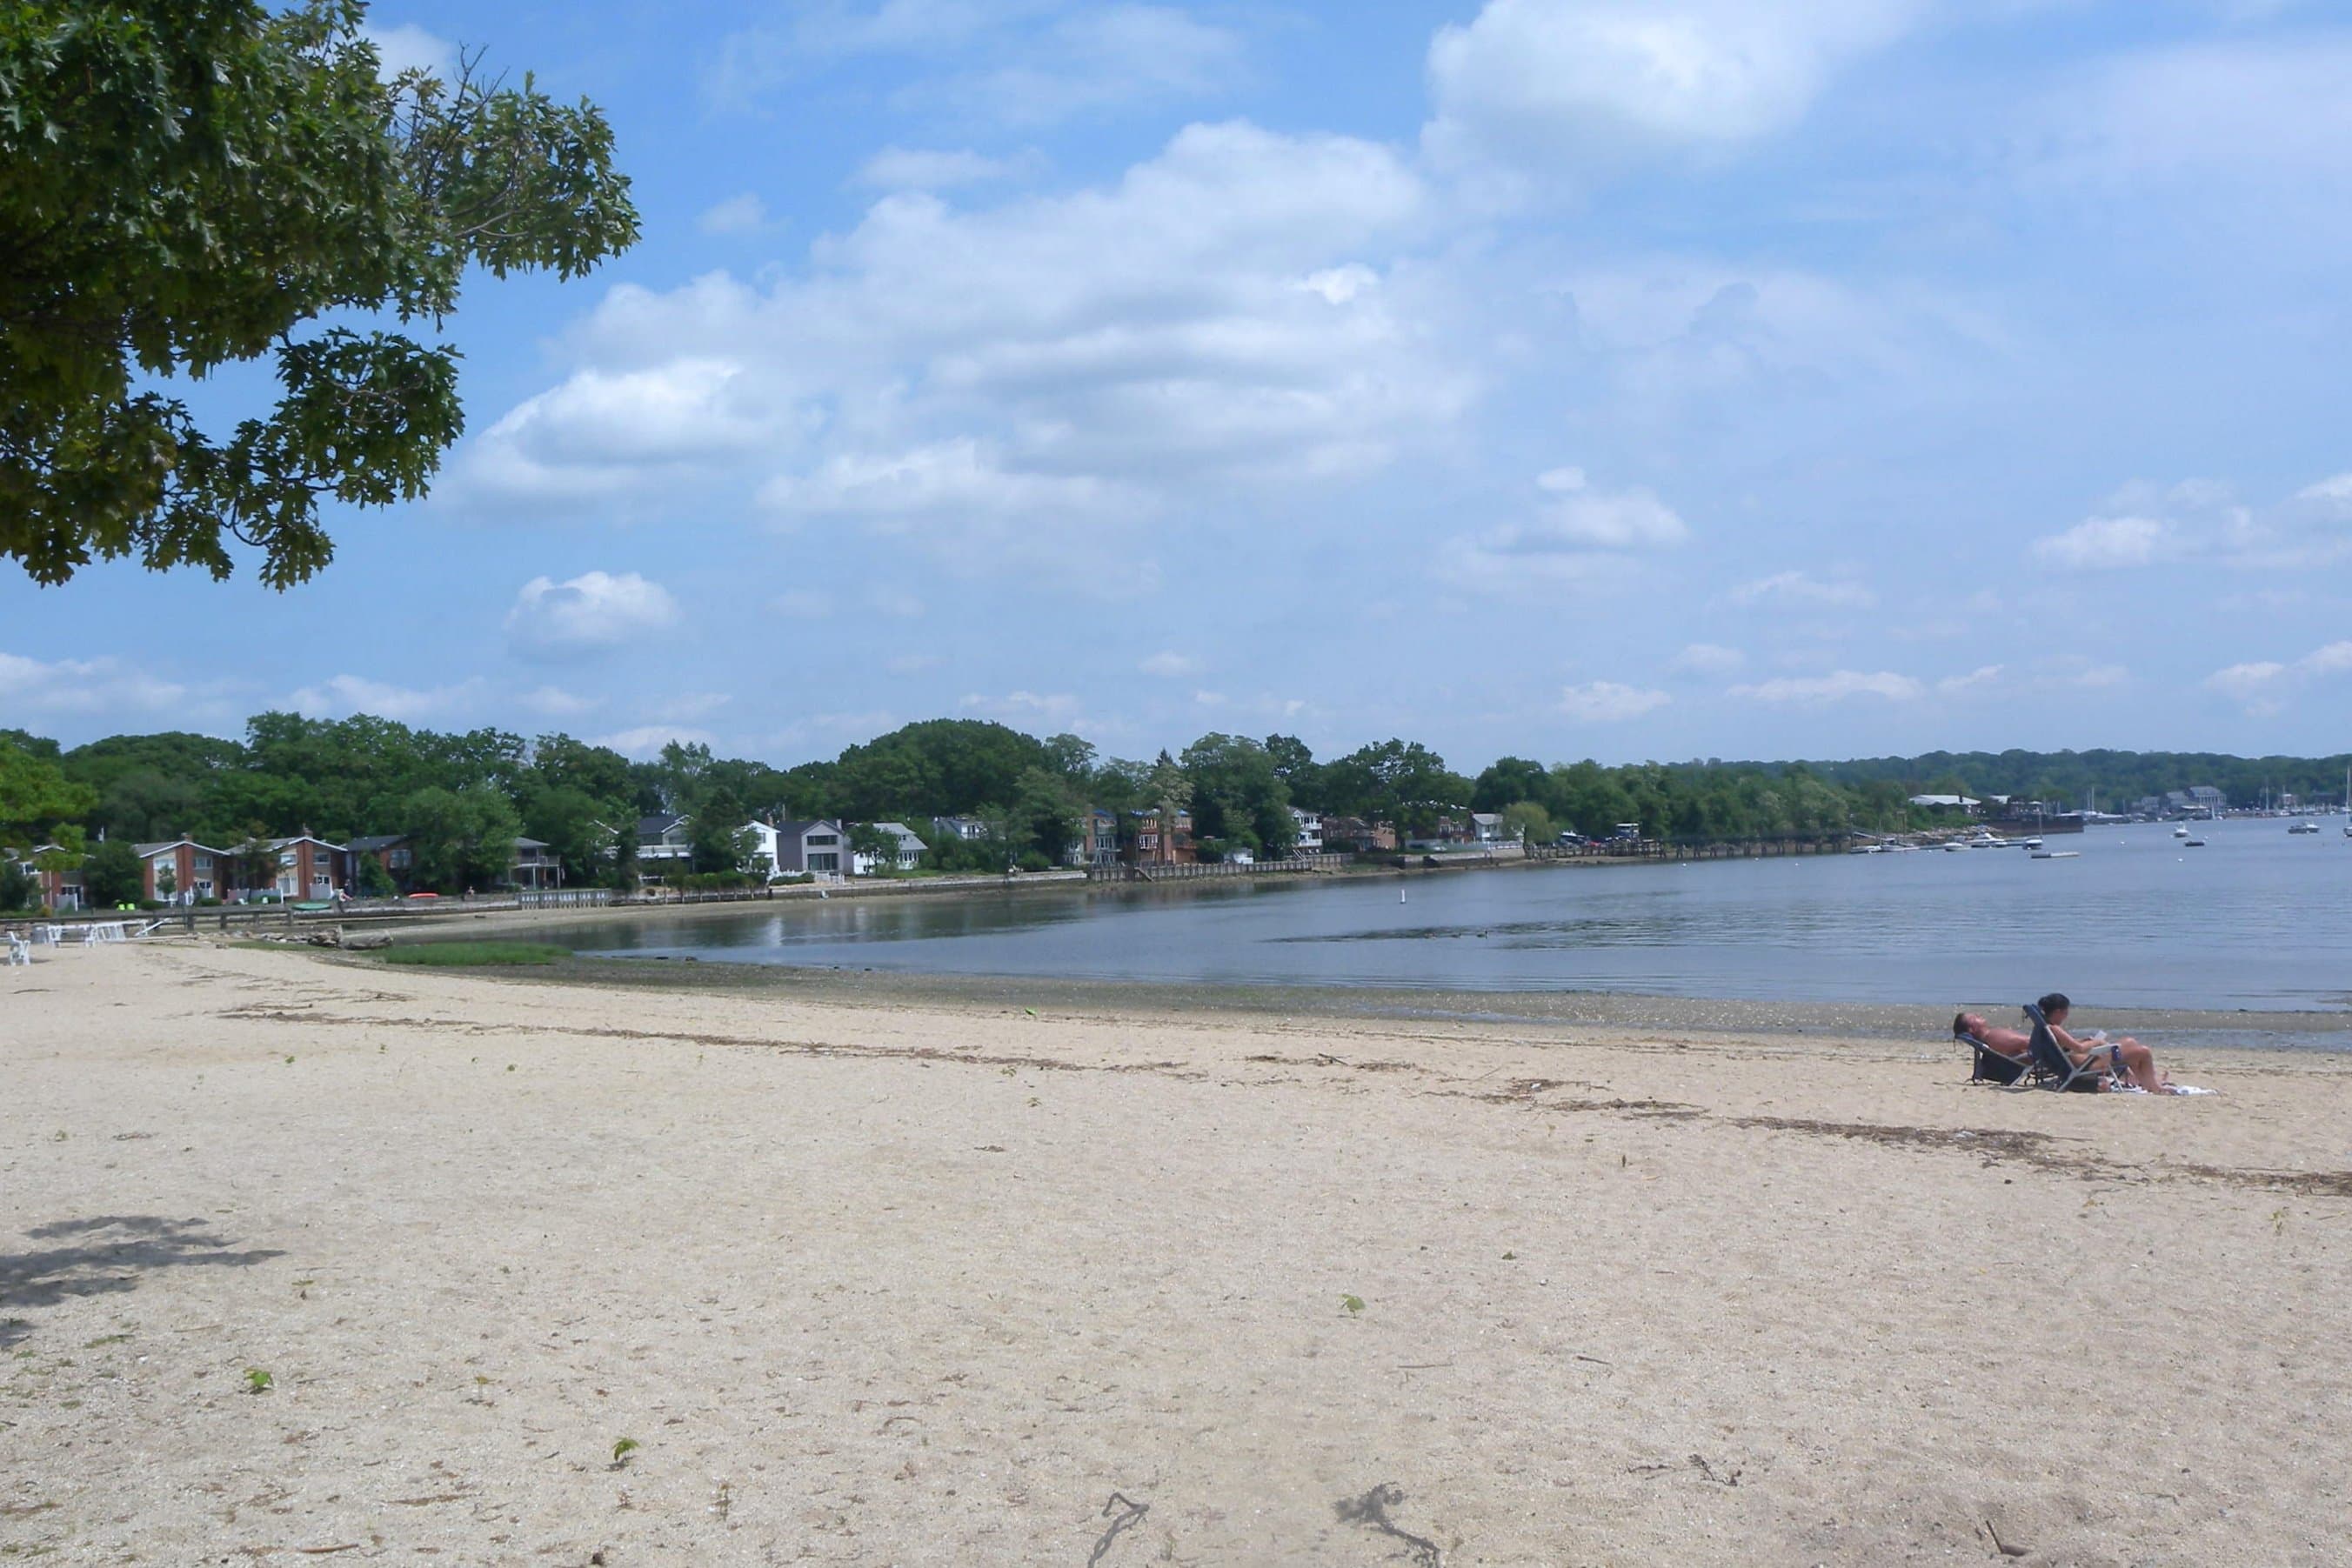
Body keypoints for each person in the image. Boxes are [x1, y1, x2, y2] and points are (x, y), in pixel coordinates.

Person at [2037, 992, 2175, 1093]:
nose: (2067, 1015)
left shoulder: (2046, 1028)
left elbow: (2068, 1046)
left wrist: (2086, 1040)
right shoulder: (2055, 1029)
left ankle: (2147, 1082)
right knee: (2143, 1051)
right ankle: (2155, 1087)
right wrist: (2096, 1042)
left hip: (2086, 1061)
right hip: (2088, 1065)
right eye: (2066, 1012)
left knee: (2129, 1041)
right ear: (2057, 1012)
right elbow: (2078, 1048)